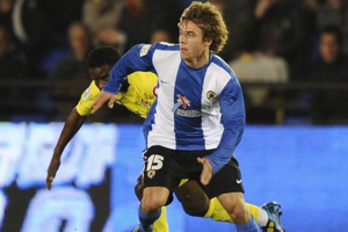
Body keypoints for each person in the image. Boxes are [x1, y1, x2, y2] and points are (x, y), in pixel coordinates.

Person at [90, 2, 285, 232]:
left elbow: (235, 126)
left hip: (208, 146)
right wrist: (112, 86)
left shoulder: (223, 77)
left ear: (208, 40)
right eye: (181, 33)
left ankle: (266, 220)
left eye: (190, 35)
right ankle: (145, 229)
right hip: (165, 143)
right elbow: (132, 56)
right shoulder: (164, 55)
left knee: (236, 210)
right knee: (150, 200)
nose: (182, 39)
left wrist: (217, 158)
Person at [46, 46, 285, 232]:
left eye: (106, 77)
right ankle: (265, 216)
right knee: (196, 205)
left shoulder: (148, 81)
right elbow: (77, 115)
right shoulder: (102, 89)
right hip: (172, 143)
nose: (102, 84)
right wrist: (56, 156)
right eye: (97, 79)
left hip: (197, 137)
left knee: (146, 188)